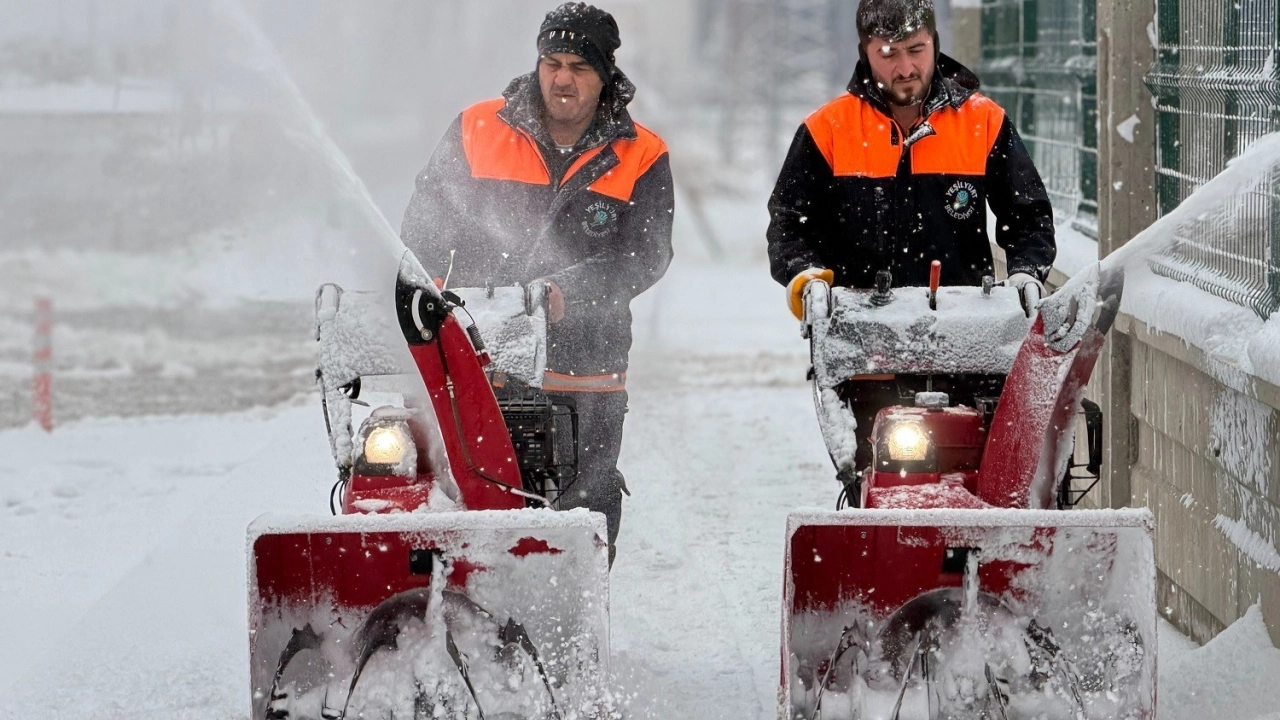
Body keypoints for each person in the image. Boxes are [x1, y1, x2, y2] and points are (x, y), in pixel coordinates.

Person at [402, 2, 673, 565]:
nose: (562, 79)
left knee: (583, 504)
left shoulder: (641, 154)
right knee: (465, 488)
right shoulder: (477, 128)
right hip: (479, 356)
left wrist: (569, 290)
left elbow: (645, 255)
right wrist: (429, 292)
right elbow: (424, 227)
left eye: (579, 66)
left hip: (585, 364)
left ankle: (571, 603)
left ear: (606, 74)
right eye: (552, 63)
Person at [766, 0, 1055, 479]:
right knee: (877, 477)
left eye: (916, 50)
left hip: (969, 343)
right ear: (865, 51)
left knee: (975, 473)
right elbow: (789, 225)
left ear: (935, 43)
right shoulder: (828, 131)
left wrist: (1027, 272)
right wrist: (808, 279)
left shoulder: (983, 123)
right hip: (866, 348)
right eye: (889, 53)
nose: (905, 68)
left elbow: (1029, 217)